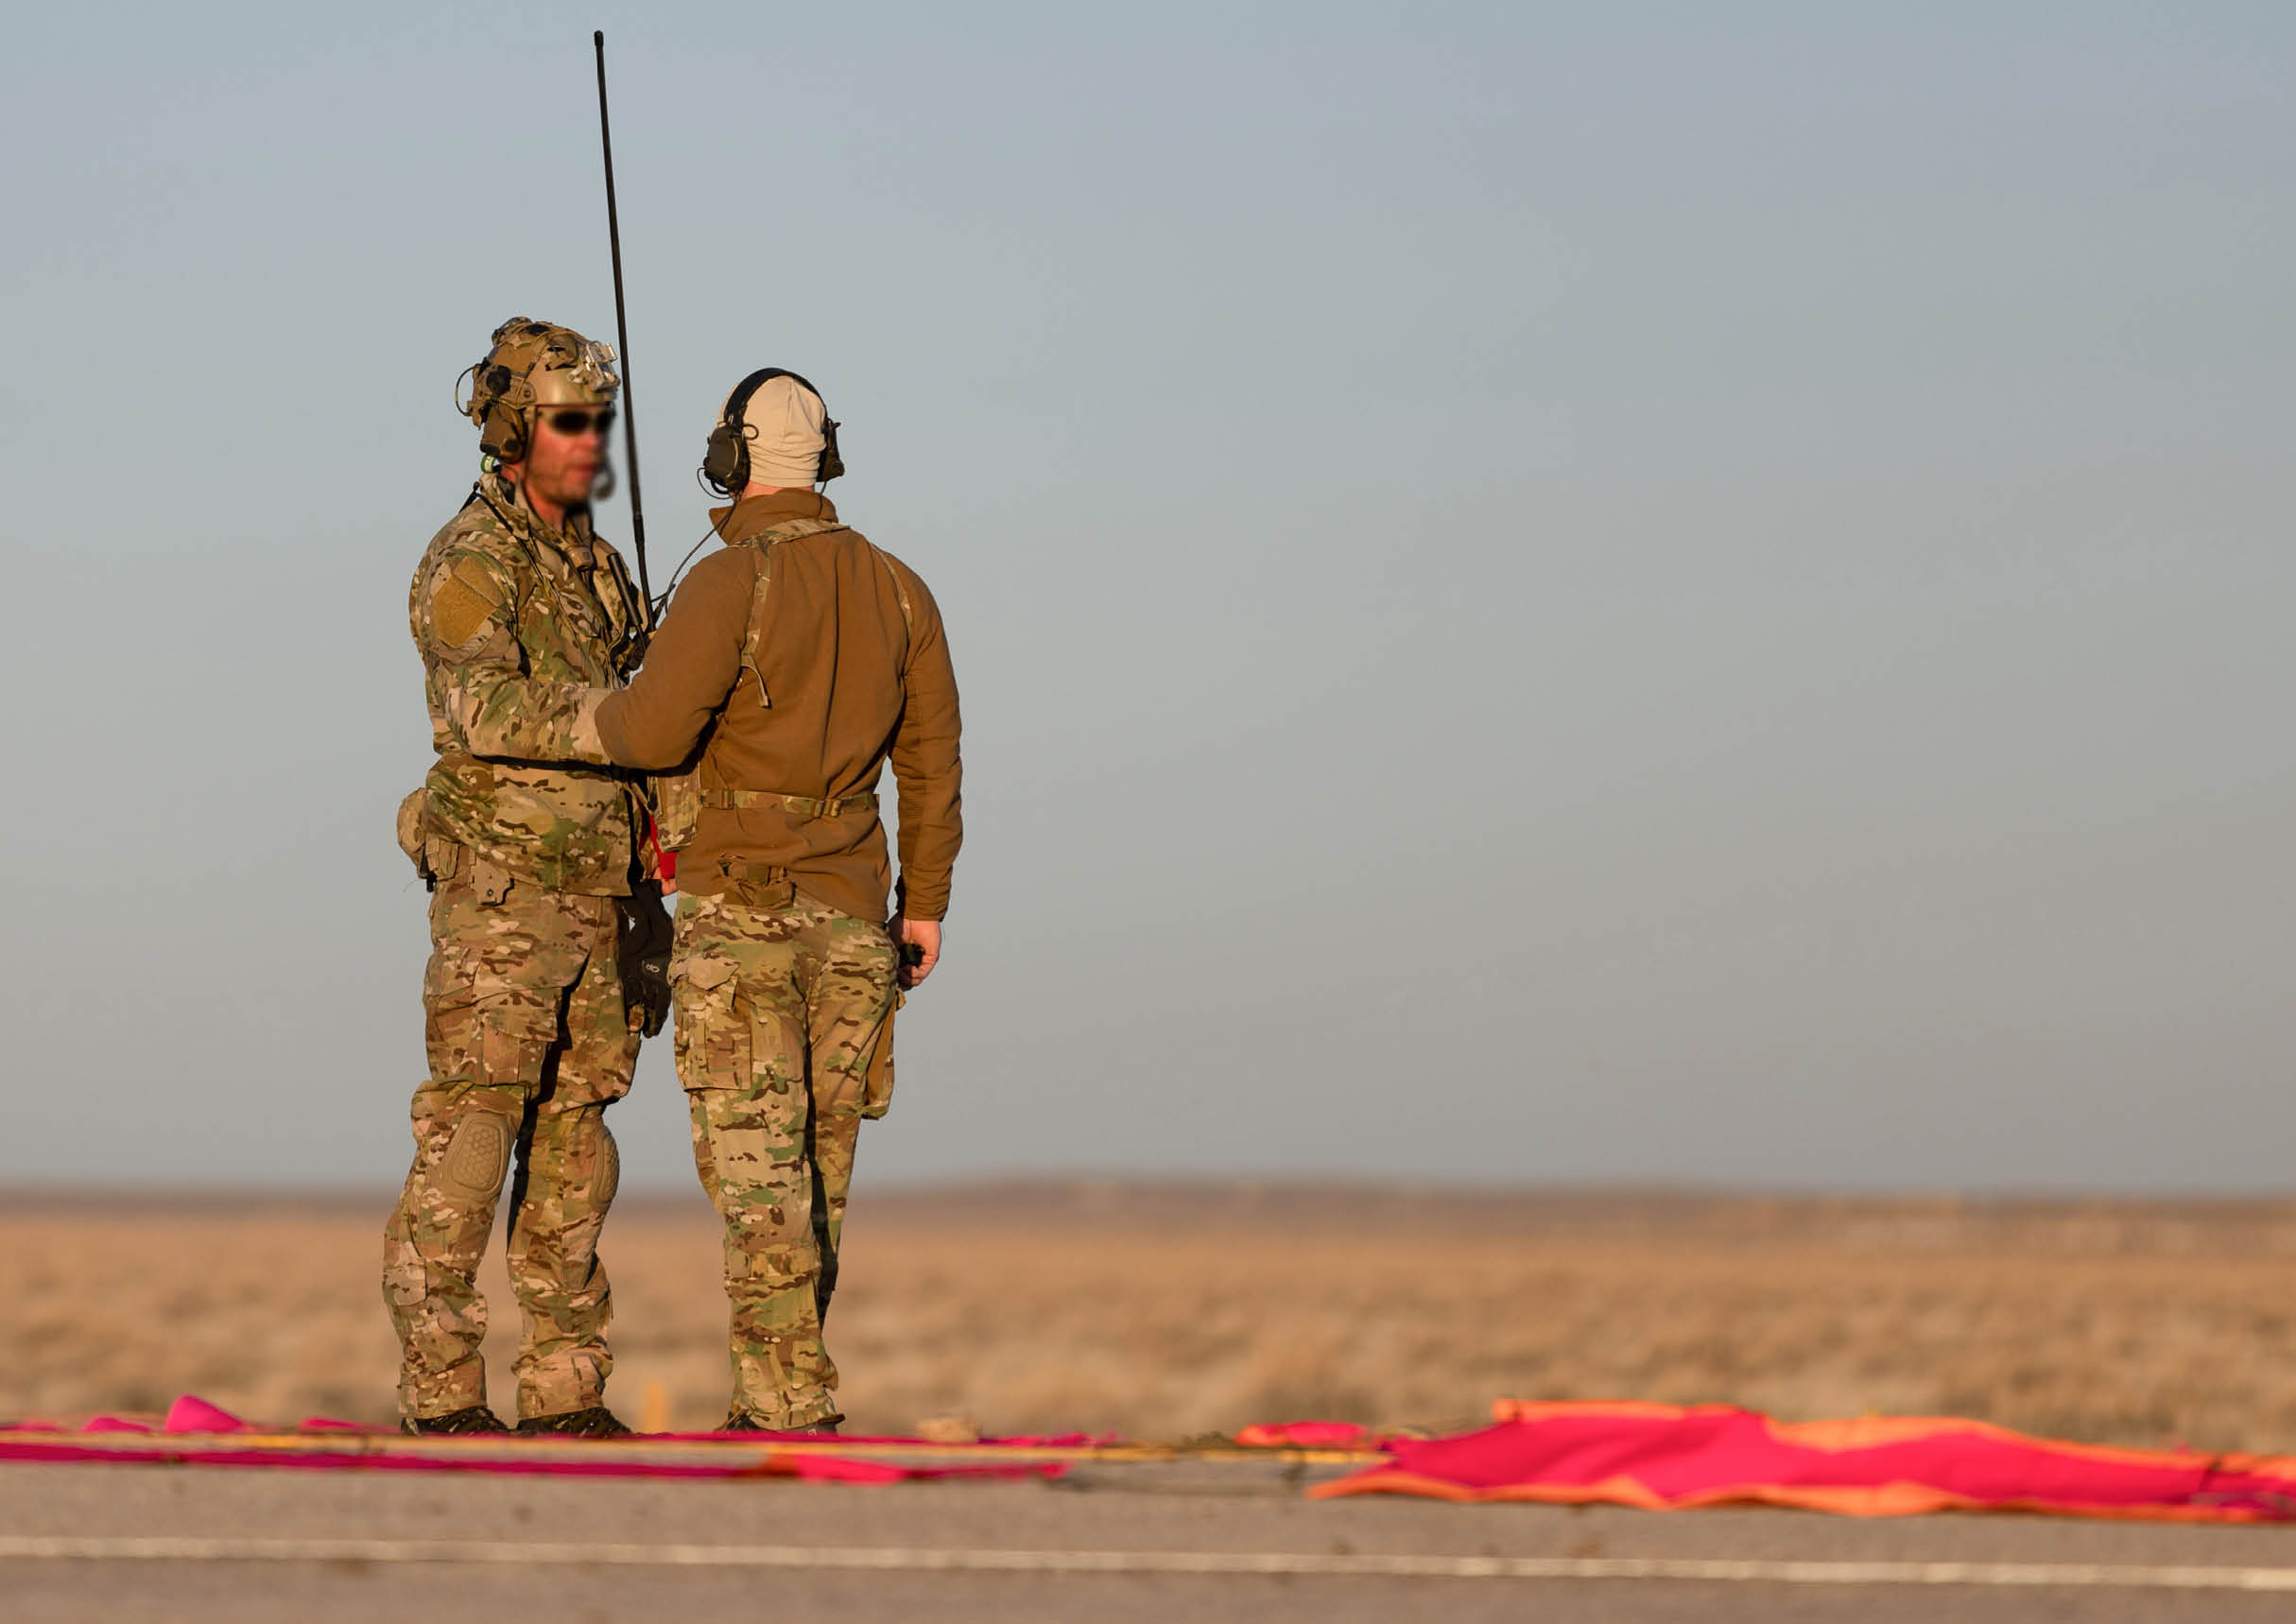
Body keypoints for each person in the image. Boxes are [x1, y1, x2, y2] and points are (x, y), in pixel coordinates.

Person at [589, 368, 961, 1431]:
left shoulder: (724, 583)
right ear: (824, 458)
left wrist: (590, 709)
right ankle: (788, 1390)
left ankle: (785, 1406)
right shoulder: (901, 589)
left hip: (741, 922)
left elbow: (650, 736)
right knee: (817, 1178)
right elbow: (932, 762)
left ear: (732, 461)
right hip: (855, 924)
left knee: (759, 1185)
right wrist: (922, 905)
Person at [383, 317, 671, 1438]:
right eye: (566, 420)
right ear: (512, 429)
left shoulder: (600, 568)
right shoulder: (469, 560)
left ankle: (564, 1387)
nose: (589, 441)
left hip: (605, 896)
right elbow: (480, 707)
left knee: (575, 1140)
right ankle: (444, 1387)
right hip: (504, 895)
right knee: (472, 1133)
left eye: (599, 420)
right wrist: (617, 716)